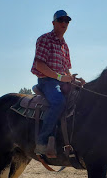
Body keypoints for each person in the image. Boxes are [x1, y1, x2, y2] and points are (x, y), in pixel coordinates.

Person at [31, 10, 85, 156]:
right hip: (47, 81)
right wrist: (61, 78)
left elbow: (66, 69)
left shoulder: (64, 46)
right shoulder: (44, 39)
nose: (64, 23)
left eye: (66, 21)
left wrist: (74, 79)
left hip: (61, 81)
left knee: (81, 97)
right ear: (53, 23)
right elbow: (39, 65)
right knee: (58, 101)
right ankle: (42, 142)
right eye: (60, 20)